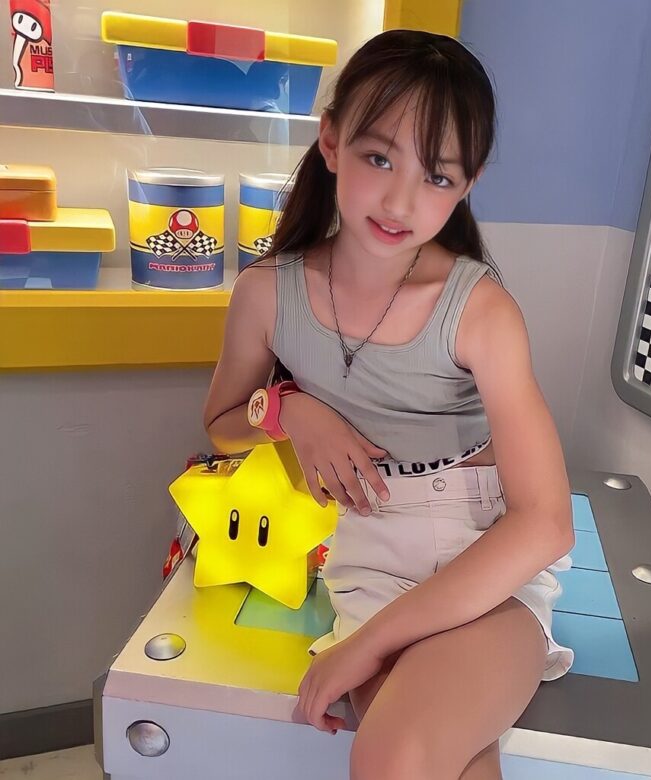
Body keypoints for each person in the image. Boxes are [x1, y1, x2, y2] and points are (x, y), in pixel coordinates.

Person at [203, 28, 575, 780]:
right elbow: (221, 425)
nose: (402, 200)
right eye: (379, 158)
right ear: (331, 142)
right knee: (421, 759)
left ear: (467, 185)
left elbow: (546, 522)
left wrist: (367, 646)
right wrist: (290, 411)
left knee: (395, 757)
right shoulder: (267, 294)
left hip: (482, 555)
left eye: (437, 176)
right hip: (367, 550)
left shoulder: (480, 310)